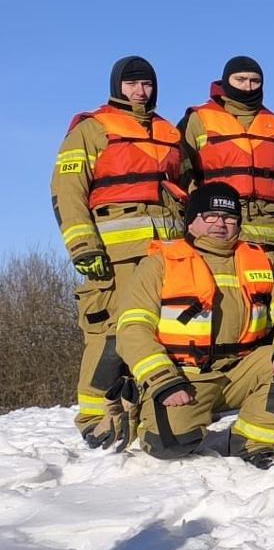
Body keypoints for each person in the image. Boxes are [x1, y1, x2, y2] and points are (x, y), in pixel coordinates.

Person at [114, 183, 274, 465]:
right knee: (168, 445)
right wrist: (162, 379)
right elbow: (132, 329)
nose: (221, 224)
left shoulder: (259, 260)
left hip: (242, 369)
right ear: (192, 222)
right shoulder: (159, 264)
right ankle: (143, 412)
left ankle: (249, 442)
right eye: (211, 216)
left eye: (229, 218)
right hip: (184, 375)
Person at [52, 56, 188, 444]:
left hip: (165, 251)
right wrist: (82, 245)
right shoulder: (92, 129)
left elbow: (187, 188)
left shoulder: (168, 132)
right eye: (132, 84)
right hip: (115, 252)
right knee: (111, 331)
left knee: (156, 331)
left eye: (146, 84)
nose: (140, 91)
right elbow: (67, 190)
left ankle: (141, 410)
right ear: (117, 87)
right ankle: (96, 419)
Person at [177, 56, 274, 272]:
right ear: (226, 81)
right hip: (218, 234)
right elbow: (181, 173)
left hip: (271, 237)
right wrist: (200, 209)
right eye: (240, 80)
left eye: (254, 81)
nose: (248, 87)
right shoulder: (199, 120)